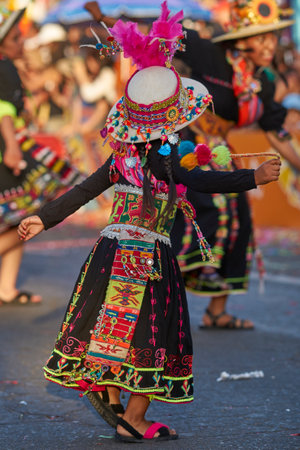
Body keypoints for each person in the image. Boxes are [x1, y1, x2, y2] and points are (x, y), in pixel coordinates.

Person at [18, 3, 280, 442]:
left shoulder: (122, 159)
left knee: (114, 326)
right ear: (173, 119)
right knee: (159, 335)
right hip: (149, 259)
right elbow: (200, 180)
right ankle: (134, 418)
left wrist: (41, 219)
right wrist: (252, 177)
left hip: (109, 252)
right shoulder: (163, 159)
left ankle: (116, 400)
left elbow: (82, 192)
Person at [170, 0, 300, 329]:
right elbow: (166, 36)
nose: (271, 45)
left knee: (239, 219)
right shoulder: (209, 55)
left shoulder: (263, 82)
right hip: (186, 147)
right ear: (242, 40)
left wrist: (298, 163)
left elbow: (274, 129)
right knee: (204, 211)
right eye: (263, 38)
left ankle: (217, 311)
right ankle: (161, 298)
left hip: (220, 152)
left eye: (274, 37)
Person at [0, 7, 82, 306]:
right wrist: (11, 146)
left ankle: (6, 288)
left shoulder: (9, 66)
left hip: (12, 144)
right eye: (13, 37)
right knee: (29, 211)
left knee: (17, 218)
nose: (20, 41)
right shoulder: (4, 66)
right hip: (10, 148)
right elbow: (4, 112)